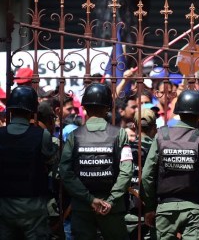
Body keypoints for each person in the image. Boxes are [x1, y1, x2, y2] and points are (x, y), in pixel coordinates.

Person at [141, 89, 199, 240]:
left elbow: (146, 176)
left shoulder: (161, 136)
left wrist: (151, 207)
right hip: (195, 212)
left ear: (178, 110)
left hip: (165, 210)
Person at [60, 82, 133, 239]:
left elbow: (65, 172)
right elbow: (127, 171)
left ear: (85, 107)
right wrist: (111, 201)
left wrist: (90, 200)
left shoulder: (74, 136)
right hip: (111, 208)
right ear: (108, 107)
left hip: (82, 208)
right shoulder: (119, 134)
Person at [0, 86, 58, 239]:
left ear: (10, 110)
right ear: (33, 111)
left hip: (5, 206)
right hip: (33, 207)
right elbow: (50, 161)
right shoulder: (42, 135)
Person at [125, 108, 157, 240]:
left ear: (134, 127)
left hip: (128, 212)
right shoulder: (159, 149)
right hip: (153, 213)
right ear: (154, 128)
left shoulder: (125, 148)